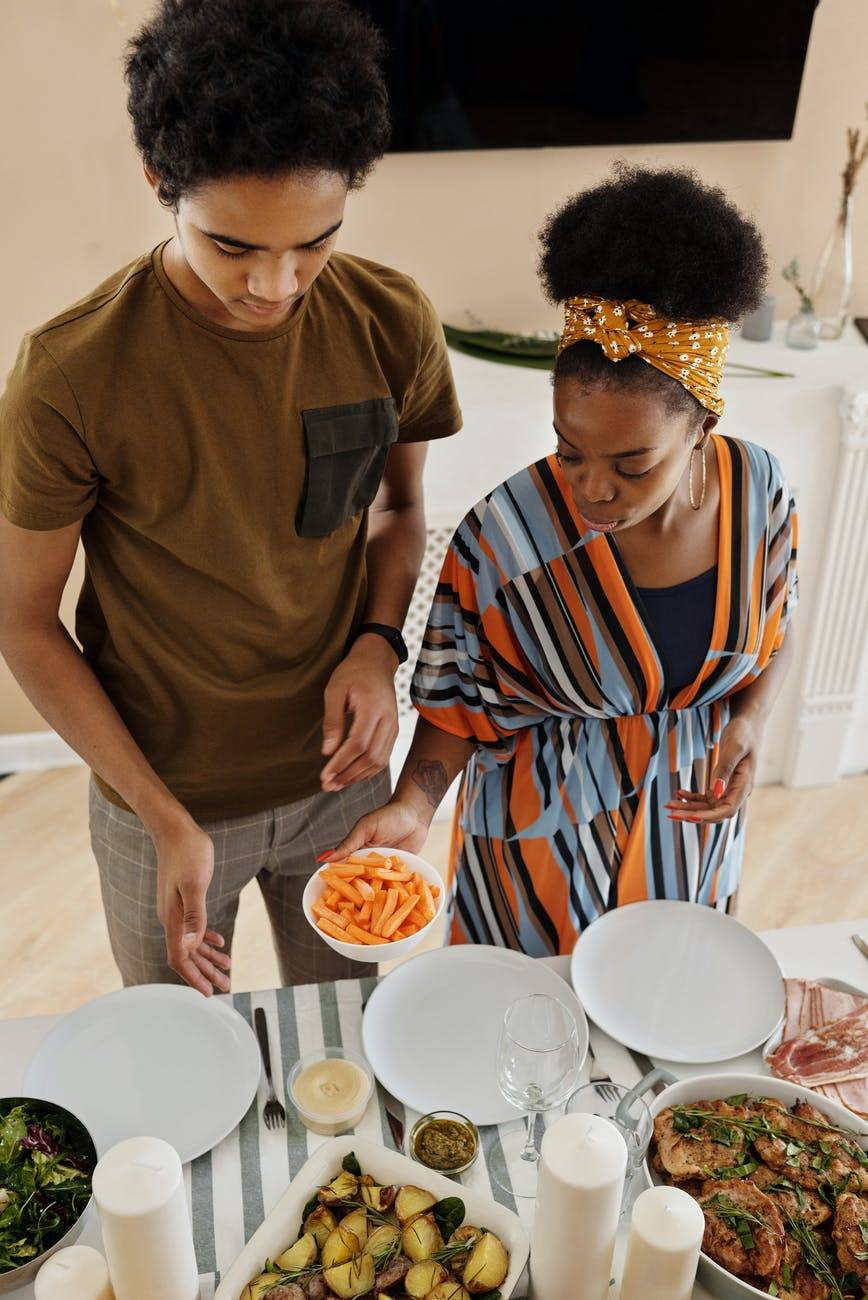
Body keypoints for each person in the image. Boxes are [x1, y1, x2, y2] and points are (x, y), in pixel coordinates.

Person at [0, 0, 461, 993]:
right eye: (233, 247)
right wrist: (161, 815)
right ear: (157, 182)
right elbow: (23, 620)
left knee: (344, 1037)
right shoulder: (73, 372)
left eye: (314, 244)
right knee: (178, 1060)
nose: (276, 286)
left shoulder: (389, 320)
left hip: (341, 782)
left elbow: (396, 510)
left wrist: (380, 648)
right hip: (159, 795)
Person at [328, 165, 798, 955]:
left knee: (671, 1019)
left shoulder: (760, 494)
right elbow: (456, 708)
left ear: (702, 427)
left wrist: (749, 723)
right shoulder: (505, 540)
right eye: (569, 451)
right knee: (529, 1046)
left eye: (632, 465)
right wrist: (413, 808)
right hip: (538, 862)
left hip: (688, 839)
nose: (593, 490)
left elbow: (775, 630)